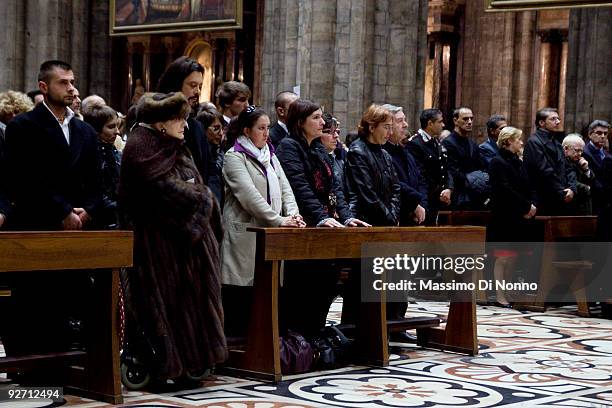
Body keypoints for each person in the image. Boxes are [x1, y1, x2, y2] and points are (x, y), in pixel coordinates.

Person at [119, 92, 226, 383]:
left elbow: (192, 179)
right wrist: (202, 197)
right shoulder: (141, 145)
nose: (184, 124)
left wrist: (199, 197)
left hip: (184, 242)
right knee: (163, 306)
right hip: (158, 243)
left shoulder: (173, 143)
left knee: (189, 305)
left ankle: (191, 361)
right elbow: (162, 189)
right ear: (161, 122)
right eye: (178, 118)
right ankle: (163, 364)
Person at [3, 60, 101, 355]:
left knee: (68, 303)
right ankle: (30, 373)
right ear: (44, 87)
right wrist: (62, 211)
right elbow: (25, 178)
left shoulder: (84, 130)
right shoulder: (24, 126)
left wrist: (89, 209)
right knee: (34, 305)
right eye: (63, 82)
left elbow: (96, 179)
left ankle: (61, 371)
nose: (71, 88)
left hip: (79, 227)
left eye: (72, 81)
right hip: (38, 224)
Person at [276, 99, 369, 335]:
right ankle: (298, 337)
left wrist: (347, 217)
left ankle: (315, 333)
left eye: (322, 117)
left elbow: (335, 188)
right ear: (300, 122)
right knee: (306, 284)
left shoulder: (318, 148)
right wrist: (320, 217)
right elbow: (299, 186)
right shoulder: (289, 146)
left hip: (325, 225)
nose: (321, 122)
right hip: (305, 226)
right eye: (316, 117)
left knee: (327, 281)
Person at [221, 106, 305, 336]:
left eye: (268, 128)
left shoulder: (270, 154)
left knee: (266, 291)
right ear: (247, 131)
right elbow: (249, 197)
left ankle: (260, 342)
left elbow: (285, 187)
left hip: (272, 234)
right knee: (242, 293)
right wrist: (278, 220)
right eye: (261, 128)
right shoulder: (234, 157)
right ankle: (236, 343)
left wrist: (294, 214)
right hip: (245, 233)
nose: (266, 133)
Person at [487, 127, 537, 306]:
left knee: (514, 256)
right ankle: (499, 294)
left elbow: (527, 185)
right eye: (518, 139)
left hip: (519, 217)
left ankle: (507, 291)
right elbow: (503, 189)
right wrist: (525, 205)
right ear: (508, 141)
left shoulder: (518, 161)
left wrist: (531, 205)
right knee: (503, 257)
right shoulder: (497, 162)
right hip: (504, 216)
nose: (521, 143)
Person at [157, 56, 218, 192]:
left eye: (200, 86)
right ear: (176, 85)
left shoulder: (197, 126)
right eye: (192, 85)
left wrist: (211, 200)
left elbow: (210, 169)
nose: (197, 91)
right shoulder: (156, 124)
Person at [523, 108, 576, 215]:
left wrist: (572, 188)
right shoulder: (534, 142)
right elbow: (544, 170)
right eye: (553, 119)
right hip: (544, 196)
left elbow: (568, 168)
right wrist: (562, 191)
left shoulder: (556, 142)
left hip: (561, 195)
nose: (558, 122)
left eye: (558, 119)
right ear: (541, 123)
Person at [382, 104, 427, 226]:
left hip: (415, 216)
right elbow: (394, 183)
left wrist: (422, 204)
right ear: (388, 126)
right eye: (400, 121)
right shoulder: (382, 152)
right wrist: (414, 204)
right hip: (395, 218)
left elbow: (420, 179)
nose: (406, 124)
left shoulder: (405, 151)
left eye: (405, 120)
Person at [407, 109, 453, 225]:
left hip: (439, 200)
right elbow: (420, 175)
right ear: (430, 123)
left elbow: (446, 168)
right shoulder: (415, 143)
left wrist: (448, 188)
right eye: (440, 122)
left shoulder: (436, 141)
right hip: (426, 199)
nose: (443, 125)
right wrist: (439, 193)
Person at [83, 104, 122, 228]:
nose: (117, 131)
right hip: (101, 222)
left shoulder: (113, 150)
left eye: (117, 126)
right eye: (111, 127)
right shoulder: (92, 154)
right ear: (96, 129)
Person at [443, 107, 489, 210]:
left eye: (471, 119)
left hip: (475, 195)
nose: (469, 122)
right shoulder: (448, 143)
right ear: (455, 120)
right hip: (457, 196)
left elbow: (481, 165)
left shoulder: (472, 143)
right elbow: (451, 170)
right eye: (465, 119)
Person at [196, 104, 225, 202]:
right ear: (203, 128)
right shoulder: (198, 154)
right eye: (216, 128)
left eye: (222, 129)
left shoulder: (220, 151)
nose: (221, 133)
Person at [562, 134, 596, 215]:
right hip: (567, 206)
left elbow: (593, 181)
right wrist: (584, 187)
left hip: (579, 205)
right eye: (577, 150)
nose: (580, 153)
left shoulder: (578, 161)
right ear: (566, 149)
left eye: (581, 151)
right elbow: (564, 180)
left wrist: (586, 169)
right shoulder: (559, 161)